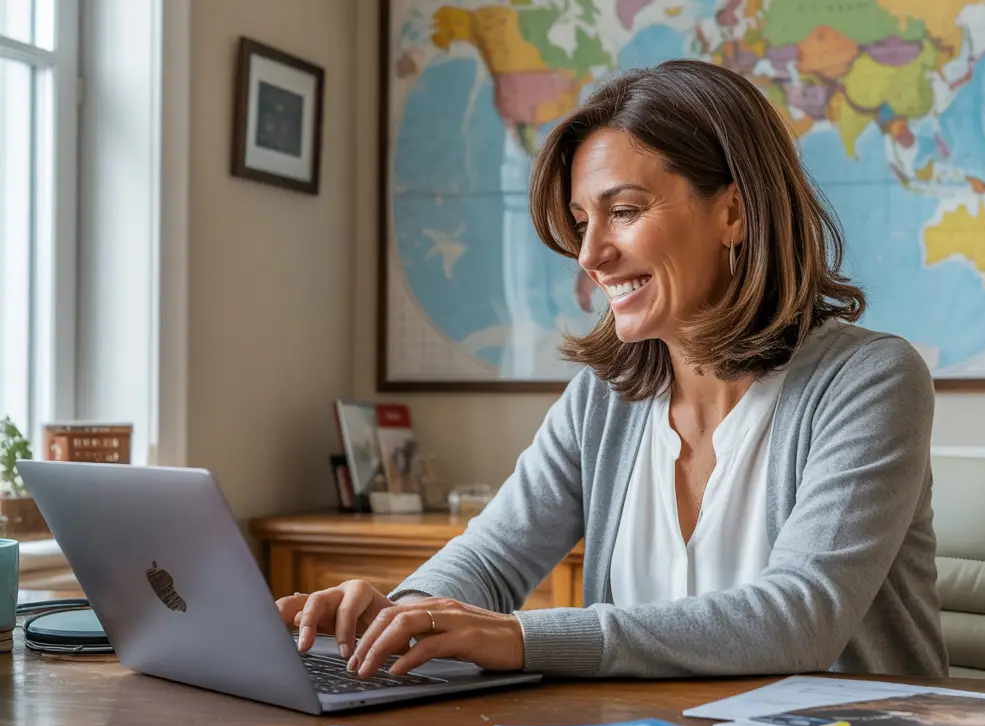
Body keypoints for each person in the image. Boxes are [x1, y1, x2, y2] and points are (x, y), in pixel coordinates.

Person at [277, 59, 948, 682]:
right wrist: (405, 614)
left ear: (734, 213)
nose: (591, 255)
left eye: (623, 212)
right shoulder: (603, 399)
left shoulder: (871, 379)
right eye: (580, 220)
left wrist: (520, 636)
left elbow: (800, 617)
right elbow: (490, 557)